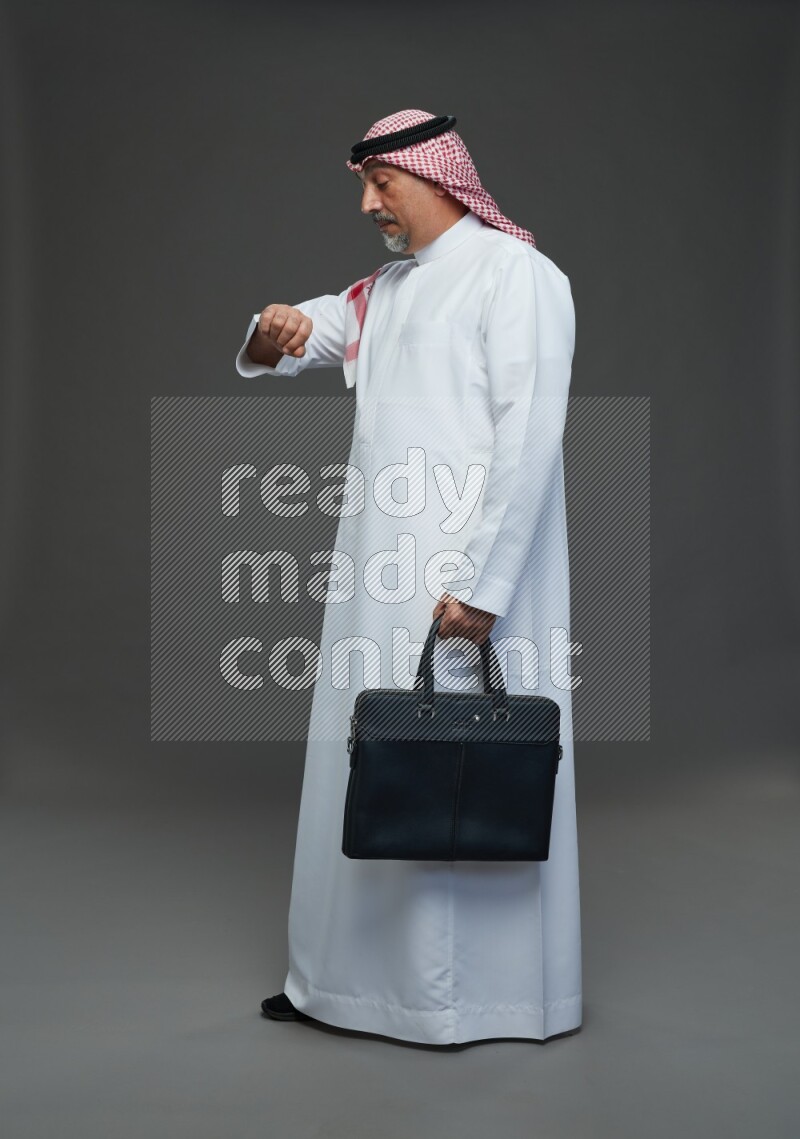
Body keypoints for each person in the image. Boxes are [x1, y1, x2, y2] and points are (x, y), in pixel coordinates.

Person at [235, 109, 581, 1045]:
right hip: (375, 575)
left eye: (380, 184)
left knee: (462, 764)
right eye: (364, 186)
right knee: (377, 758)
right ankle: (345, 990)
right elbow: (299, 339)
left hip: (466, 583)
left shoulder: (521, 279)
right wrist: (275, 330)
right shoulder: (386, 291)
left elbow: (529, 438)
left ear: (435, 176)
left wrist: (486, 585)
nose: (368, 204)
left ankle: (470, 1002)